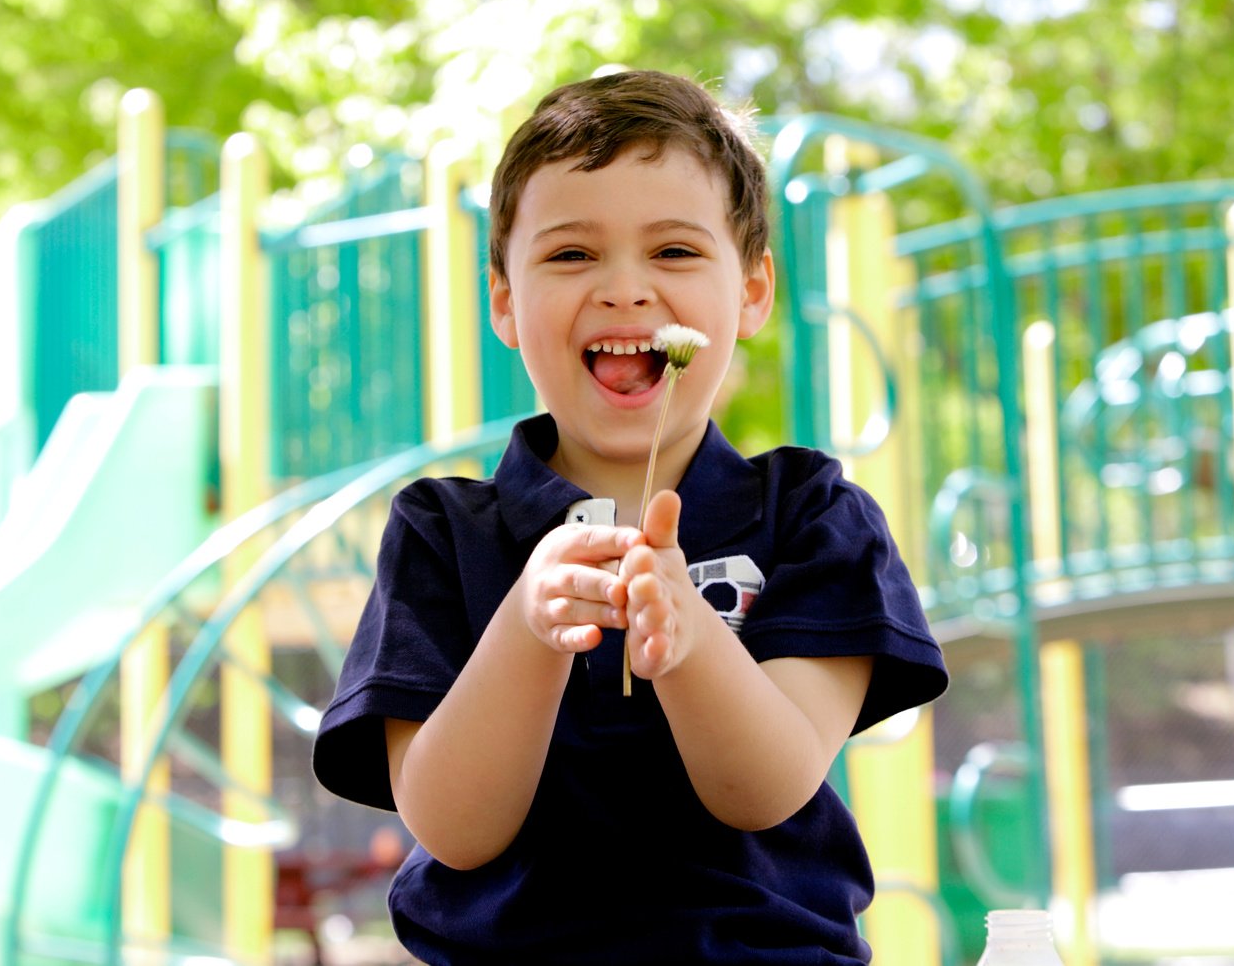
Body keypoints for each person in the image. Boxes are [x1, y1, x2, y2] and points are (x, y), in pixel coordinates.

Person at [313, 70, 948, 964]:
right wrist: (529, 628)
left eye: (675, 253)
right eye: (572, 254)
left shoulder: (814, 515)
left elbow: (767, 786)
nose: (624, 289)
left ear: (753, 291)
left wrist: (690, 638)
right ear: (503, 297)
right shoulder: (440, 533)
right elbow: (452, 827)